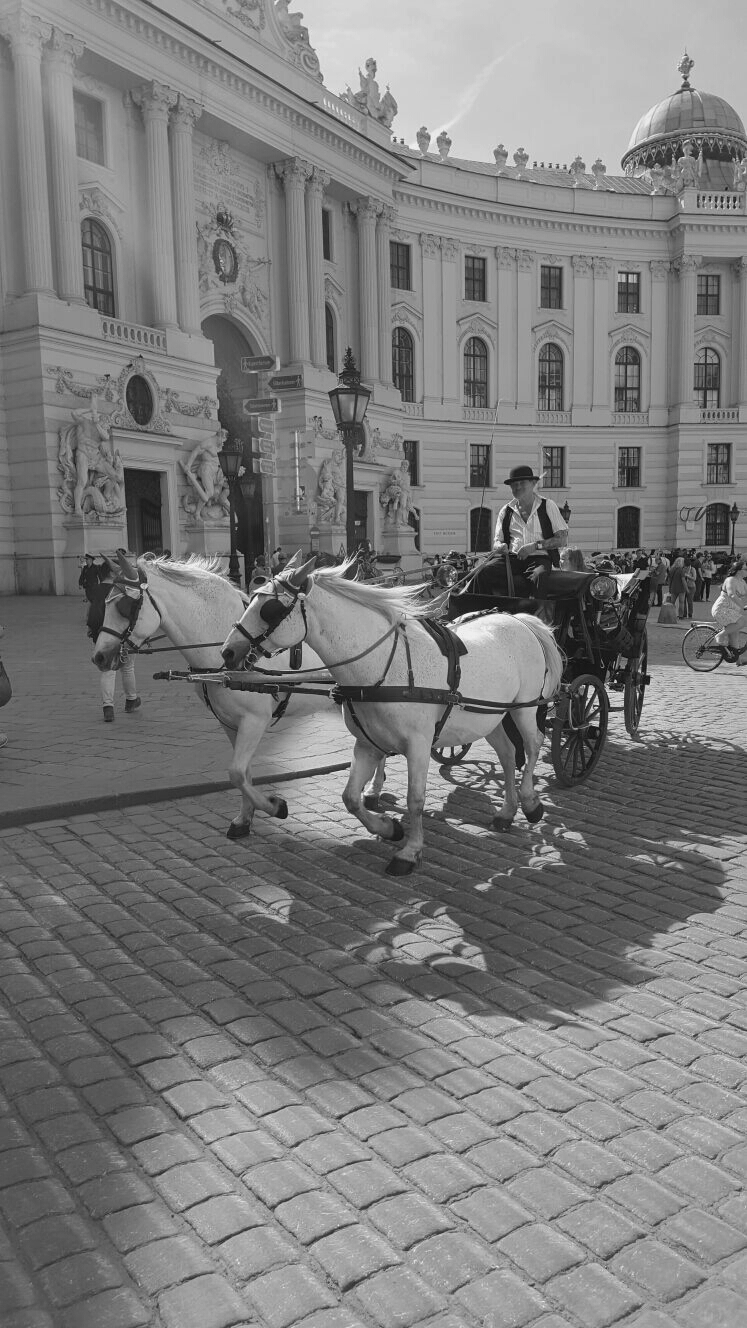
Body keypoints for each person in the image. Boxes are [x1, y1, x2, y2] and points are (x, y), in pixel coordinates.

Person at [473, 464, 568, 599]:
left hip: (539, 559)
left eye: (522, 483)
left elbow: (562, 540)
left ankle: (537, 616)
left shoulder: (548, 505)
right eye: (513, 485)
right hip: (512, 559)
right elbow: (496, 541)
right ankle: (483, 610)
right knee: (481, 571)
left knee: (539, 576)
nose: (517, 487)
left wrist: (534, 546)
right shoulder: (506, 510)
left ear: (533, 483)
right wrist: (500, 546)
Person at [86, 565, 141, 721]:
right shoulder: (119, 590)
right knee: (128, 667)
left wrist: (90, 627)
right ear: (112, 573)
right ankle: (131, 700)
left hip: (102, 634)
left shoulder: (96, 589)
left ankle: (108, 707)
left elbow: (91, 610)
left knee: (107, 670)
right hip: (122, 634)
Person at [710, 559, 747, 662]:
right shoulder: (731, 580)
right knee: (743, 621)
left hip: (731, 611)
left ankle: (737, 659)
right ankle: (719, 636)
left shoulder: (742, 582)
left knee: (734, 634)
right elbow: (731, 594)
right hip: (722, 609)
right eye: (746, 569)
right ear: (739, 571)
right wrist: (743, 606)